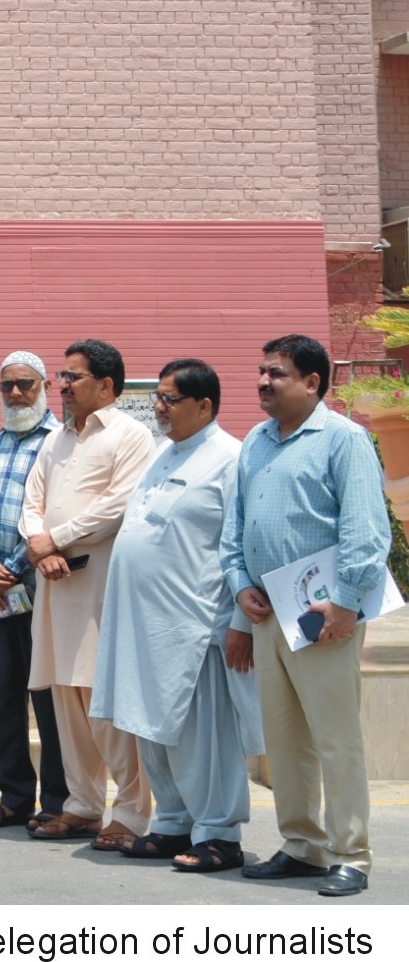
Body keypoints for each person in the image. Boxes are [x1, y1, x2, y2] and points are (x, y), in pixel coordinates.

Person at [224, 334, 392, 897]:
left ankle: (351, 854)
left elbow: (366, 530)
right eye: (261, 371)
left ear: (313, 382)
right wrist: (241, 585)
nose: (263, 382)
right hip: (270, 610)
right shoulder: (256, 441)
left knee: (335, 738)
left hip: (324, 616)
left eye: (276, 373)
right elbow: (236, 526)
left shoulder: (343, 440)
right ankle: (302, 846)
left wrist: (345, 603)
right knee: (285, 738)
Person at [91, 359, 262, 873]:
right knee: (151, 727)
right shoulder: (163, 454)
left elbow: (243, 547)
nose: (159, 408)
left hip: (197, 627)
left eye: (169, 399)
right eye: (157, 399)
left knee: (202, 736)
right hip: (145, 626)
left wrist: (240, 622)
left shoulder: (231, 459)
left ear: (204, 405)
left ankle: (218, 833)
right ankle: (173, 822)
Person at [22, 338, 154, 847]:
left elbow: (120, 505)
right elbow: (31, 500)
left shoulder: (130, 435)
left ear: (106, 385)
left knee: (105, 701)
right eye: (61, 375)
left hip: (100, 584)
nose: (63, 385)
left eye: (72, 377)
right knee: (65, 698)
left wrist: (56, 537)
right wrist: (40, 545)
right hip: (55, 585)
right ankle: (82, 804)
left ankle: (134, 811)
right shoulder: (56, 438)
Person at [0, 350, 69, 832]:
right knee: (1, 697)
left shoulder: (62, 443)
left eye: (26, 383)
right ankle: (13, 796)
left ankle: (58, 802)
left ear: (45, 386)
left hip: (42, 590)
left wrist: (11, 565)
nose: (16, 393)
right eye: (7, 386)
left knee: (48, 700)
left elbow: (57, 515)